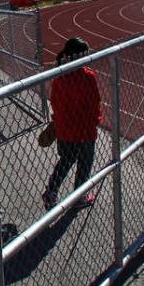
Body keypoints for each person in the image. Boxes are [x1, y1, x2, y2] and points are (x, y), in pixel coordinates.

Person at [42, 38, 103, 209]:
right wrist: (95, 120)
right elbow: (94, 101)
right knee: (85, 163)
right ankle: (79, 196)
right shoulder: (87, 76)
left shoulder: (58, 76)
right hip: (84, 130)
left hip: (65, 129)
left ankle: (51, 191)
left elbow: (54, 102)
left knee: (66, 161)